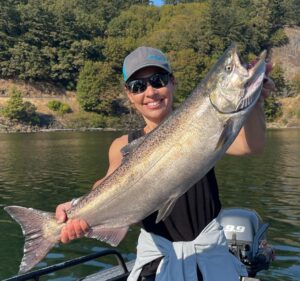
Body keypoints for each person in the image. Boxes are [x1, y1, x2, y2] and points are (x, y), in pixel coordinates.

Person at [55, 46, 275, 281]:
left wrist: (255, 102)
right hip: (158, 262)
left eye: (157, 81)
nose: (150, 92)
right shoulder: (122, 144)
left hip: (211, 255)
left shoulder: (203, 123)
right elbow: (108, 183)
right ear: (129, 94)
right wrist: (78, 209)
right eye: (138, 86)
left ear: (172, 82)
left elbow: (251, 146)